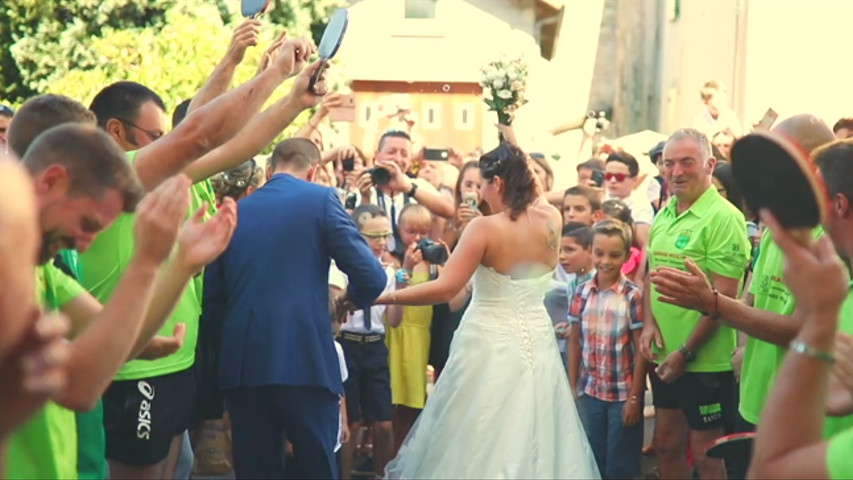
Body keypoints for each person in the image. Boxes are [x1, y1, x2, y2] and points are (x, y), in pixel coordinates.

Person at [372, 142, 600, 478]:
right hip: (537, 343)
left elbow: (446, 287)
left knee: (475, 431)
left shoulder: (484, 228)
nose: (479, 191)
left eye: (483, 184)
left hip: (486, 344)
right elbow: (534, 187)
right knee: (534, 426)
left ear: (499, 184)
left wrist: (385, 296)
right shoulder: (552, 219)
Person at [202, 137, 387, 479]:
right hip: (307, 358)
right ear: (314, 171)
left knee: (256, 470)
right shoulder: (321, 200)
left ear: (269, 171)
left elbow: (212, 299)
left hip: (245, 364)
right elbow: (372, 277)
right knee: (316, 466)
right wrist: (349, 300)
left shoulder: (234, 212)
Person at [641, 128, 750, 479]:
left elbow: (724, 300)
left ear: (710, 165)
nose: (676, 172)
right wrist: (648, 323)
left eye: (687, 162)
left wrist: (685, 353)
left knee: (708, 455)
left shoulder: (724, 217)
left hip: (704, 362)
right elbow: (650, 274)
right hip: (663, 353)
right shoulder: (667, 209)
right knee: (667, 443)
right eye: (668, 164)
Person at [568, 219, 645, 479]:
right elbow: (574, 341)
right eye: (599, 253)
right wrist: (571, 386)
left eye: (614, 255)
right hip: (591, 392)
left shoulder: (632, 296)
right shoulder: (581, 293)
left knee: (620, 464)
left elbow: (640, 350)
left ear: (626, 255)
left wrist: (635, 398)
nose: (606, 261)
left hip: (622, 394)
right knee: (593, 458)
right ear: (590, 251)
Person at [338, 205, 400, 479]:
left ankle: (380, 474)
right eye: (374, 236)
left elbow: (395, 320)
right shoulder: (340, 268)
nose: (381, 243)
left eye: (386, 235)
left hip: (375, 344)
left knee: (384, 424)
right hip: (349, 344)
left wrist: (403, 285)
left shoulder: (389, 272)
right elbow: (339, 312)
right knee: (349, 422)